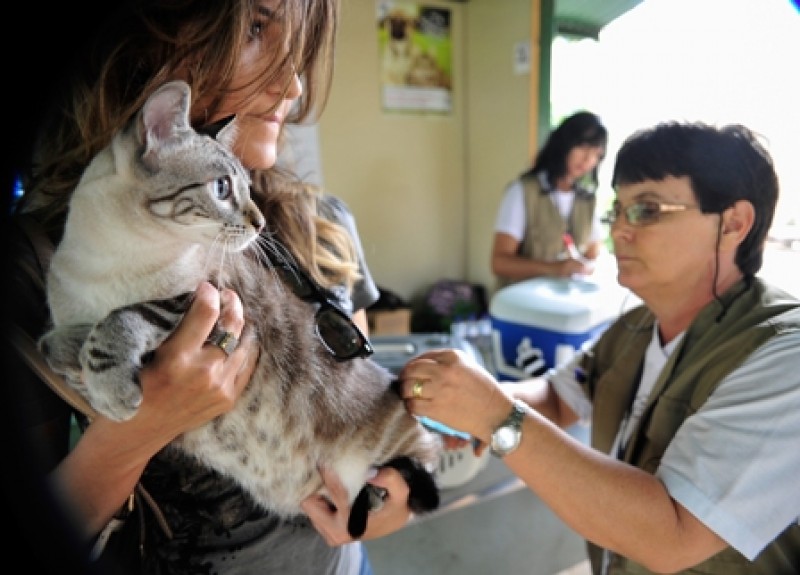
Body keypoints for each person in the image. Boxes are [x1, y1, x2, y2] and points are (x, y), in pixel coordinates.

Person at [4, 1, 415, 573]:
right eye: (255, 29)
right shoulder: (34, 268)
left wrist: (393, 497)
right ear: (151, 36)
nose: (292, 83)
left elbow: (362, 404)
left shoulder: (326, 227)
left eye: (297, 49)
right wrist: (141, 429)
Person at [400, 122, 800, 573]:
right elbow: (556, 398)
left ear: (734, 223)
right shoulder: (635, 328)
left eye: (647, 210)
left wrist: (495, 415)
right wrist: (461, 400)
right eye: (619, 211)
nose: (619, 232)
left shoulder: (784, 354)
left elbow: (672, 534)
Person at [491, 111, 608, 288]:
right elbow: (499, 263)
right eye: (583, 148)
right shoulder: (524, 191)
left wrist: (584, 266)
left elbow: (594, 253)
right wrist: (553, 268)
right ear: (564, 143)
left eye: (596, 155)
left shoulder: (587, 200)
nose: (588, 159)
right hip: (521, 303)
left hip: (566, 303)